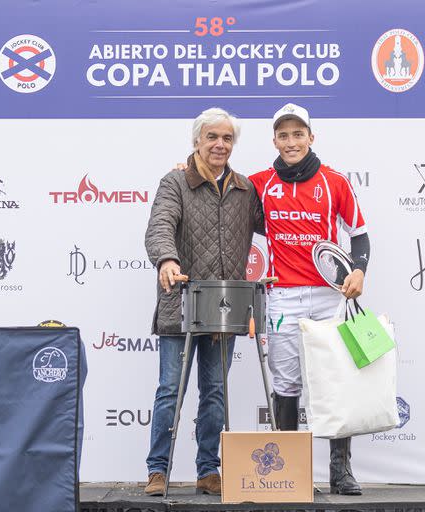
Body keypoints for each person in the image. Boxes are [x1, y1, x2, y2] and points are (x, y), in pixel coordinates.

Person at [249, 103, 370, 495]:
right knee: (286, 382)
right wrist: (186, 167)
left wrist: (359, 270)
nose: (291, 142)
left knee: (336, 379)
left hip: (327, 295)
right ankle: (290, 472)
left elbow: (360, 236)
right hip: (282, 296)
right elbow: (214, 190)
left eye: (298, 134)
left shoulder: (335, 182)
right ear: (274, 140)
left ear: (311, 137)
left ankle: (341, 471)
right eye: (283, 135)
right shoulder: (258, 184)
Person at [143, 108, 264, 496]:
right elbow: (159, 225)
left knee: (214, 392)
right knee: (169, 390)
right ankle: (157, 470)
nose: (220, 144)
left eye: (227, 138)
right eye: (212, 136)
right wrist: (167, 258)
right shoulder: (175, 181)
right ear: (197, 141)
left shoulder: (246, 189)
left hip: (224, 309)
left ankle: (208, 470)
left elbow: (280, 219)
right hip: (179, 306)